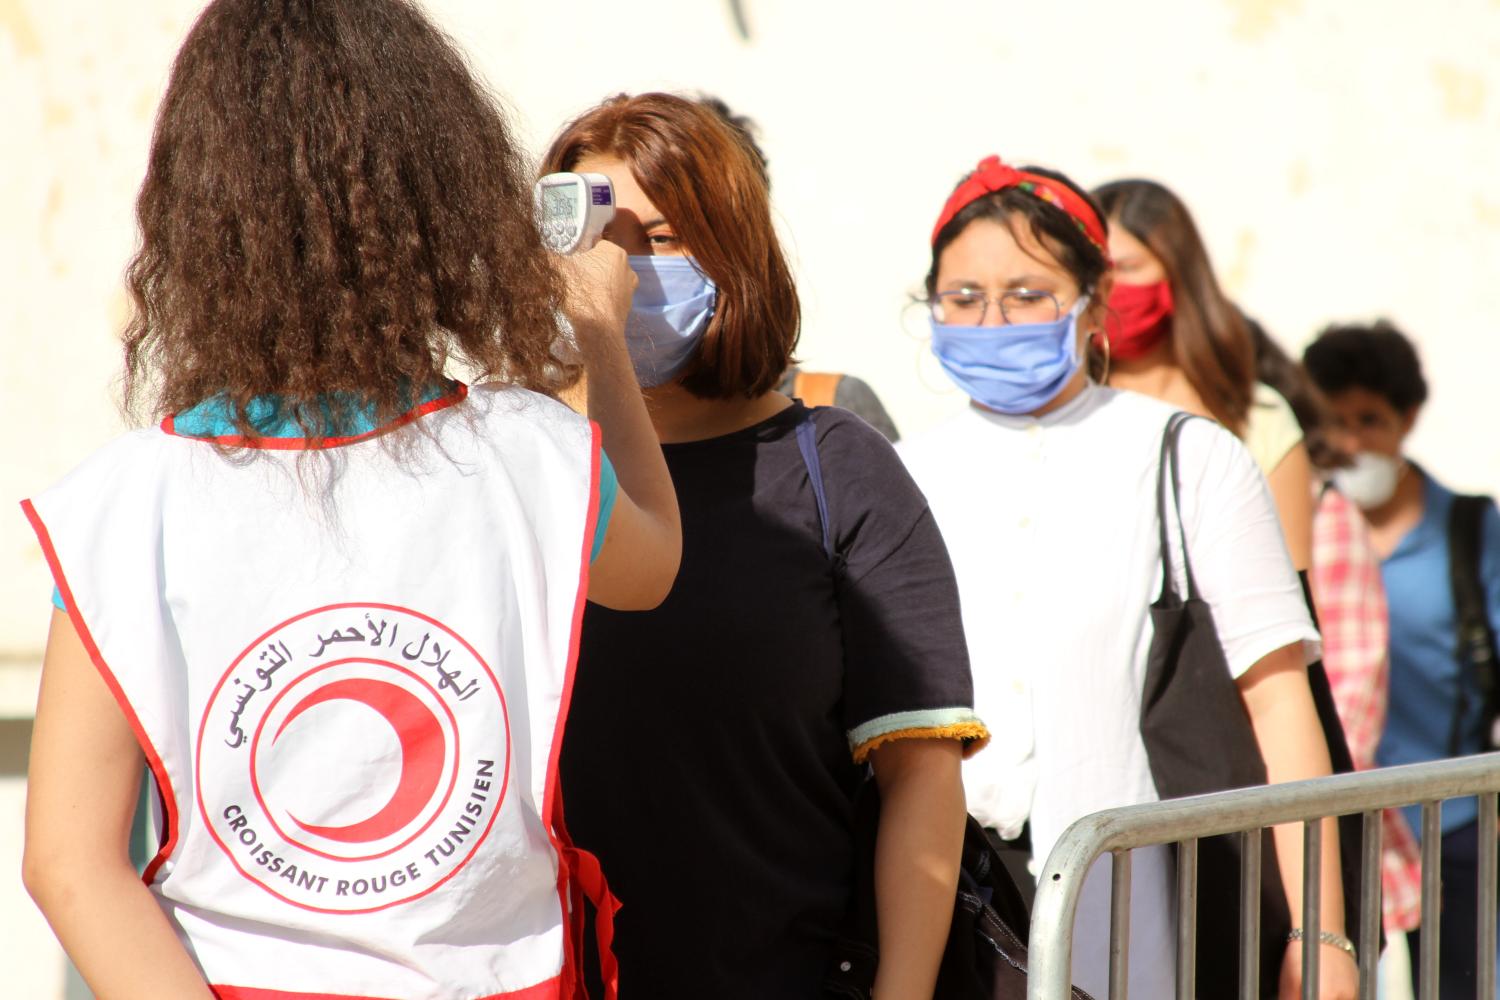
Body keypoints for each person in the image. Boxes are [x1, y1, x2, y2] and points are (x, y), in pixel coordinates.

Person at [20, 2, 681, 998]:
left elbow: (69, 861)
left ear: (197, 211)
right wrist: (597, 336)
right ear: (444, 192)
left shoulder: (127, 503)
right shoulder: (532, 456)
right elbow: (657, 559)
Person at [542, 92, 987, 999]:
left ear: (735, 249)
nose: (619, 273)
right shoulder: (509, 458)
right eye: (595, 238)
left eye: (660, 239)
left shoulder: (836, 469)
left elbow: (921, 776)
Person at [897, 154, 1356, 999]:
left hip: (1137, 911)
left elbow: (1279, 696)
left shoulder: (1187, 457)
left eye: (1028, 294)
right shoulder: (897, 474)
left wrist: (1320, 930)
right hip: (948, 916)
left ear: (1092, 303)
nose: (993, 321)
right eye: (963, 298)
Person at [1304, 321, 1500, 996]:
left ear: (1408, 419)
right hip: (1333, 823)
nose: (1353, 443)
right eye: (1336, 422)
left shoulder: (1470, 532)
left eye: (1371, 420)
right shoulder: (1299, 529)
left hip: (1450, 830)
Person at [1093, 179, 1315, 570]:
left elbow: (1297, 586)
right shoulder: (1060, 410)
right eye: (1097, 271)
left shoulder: (1257, 417)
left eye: (1128, 268)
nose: (1111, 288)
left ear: (1179, 271)